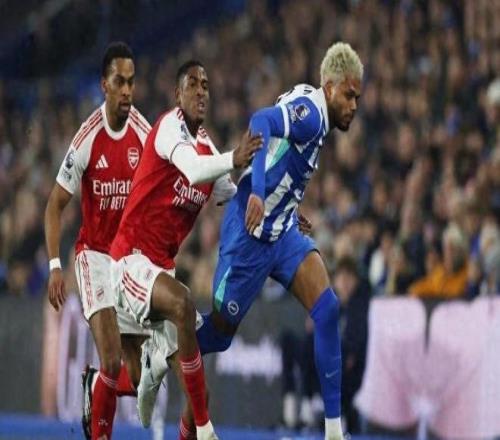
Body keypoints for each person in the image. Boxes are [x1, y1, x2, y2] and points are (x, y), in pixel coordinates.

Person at [189, 41, 363, 440]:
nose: (354, 105)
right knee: (217, 335)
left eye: (358, 97)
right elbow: (261, 121)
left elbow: (282, 155)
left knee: (327, 309)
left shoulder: (318, 119)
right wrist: (257, 193)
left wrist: (287, 203)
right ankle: (161, 349)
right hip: (249, 233)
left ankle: (334, 432)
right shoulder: (311, 115)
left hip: (282, 232)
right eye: (349, 95)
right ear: (330, 87)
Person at [109, 59, 263, 440]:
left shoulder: (207, 147)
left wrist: (279, 211)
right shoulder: (168, 128)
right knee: (183, 302)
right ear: (177, 94)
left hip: (161, 271)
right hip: (129, 261)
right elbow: (193, 170)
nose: (200, 91)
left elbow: (235, 197)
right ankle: (208, 431)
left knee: (198, 398)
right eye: (192, 84)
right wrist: (233, 158)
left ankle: (143, 378)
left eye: (205, 85)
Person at [45, 42, 151, 440]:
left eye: (131, 82)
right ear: (104, 85)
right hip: (94, 257)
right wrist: (55, 266)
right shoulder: (87, 139)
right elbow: (54, 206)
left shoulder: (145, 134)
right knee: (111, 360)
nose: (127, 91)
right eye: (119, 82)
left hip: (129, 260)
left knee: (139, 378)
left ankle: (95, 387)